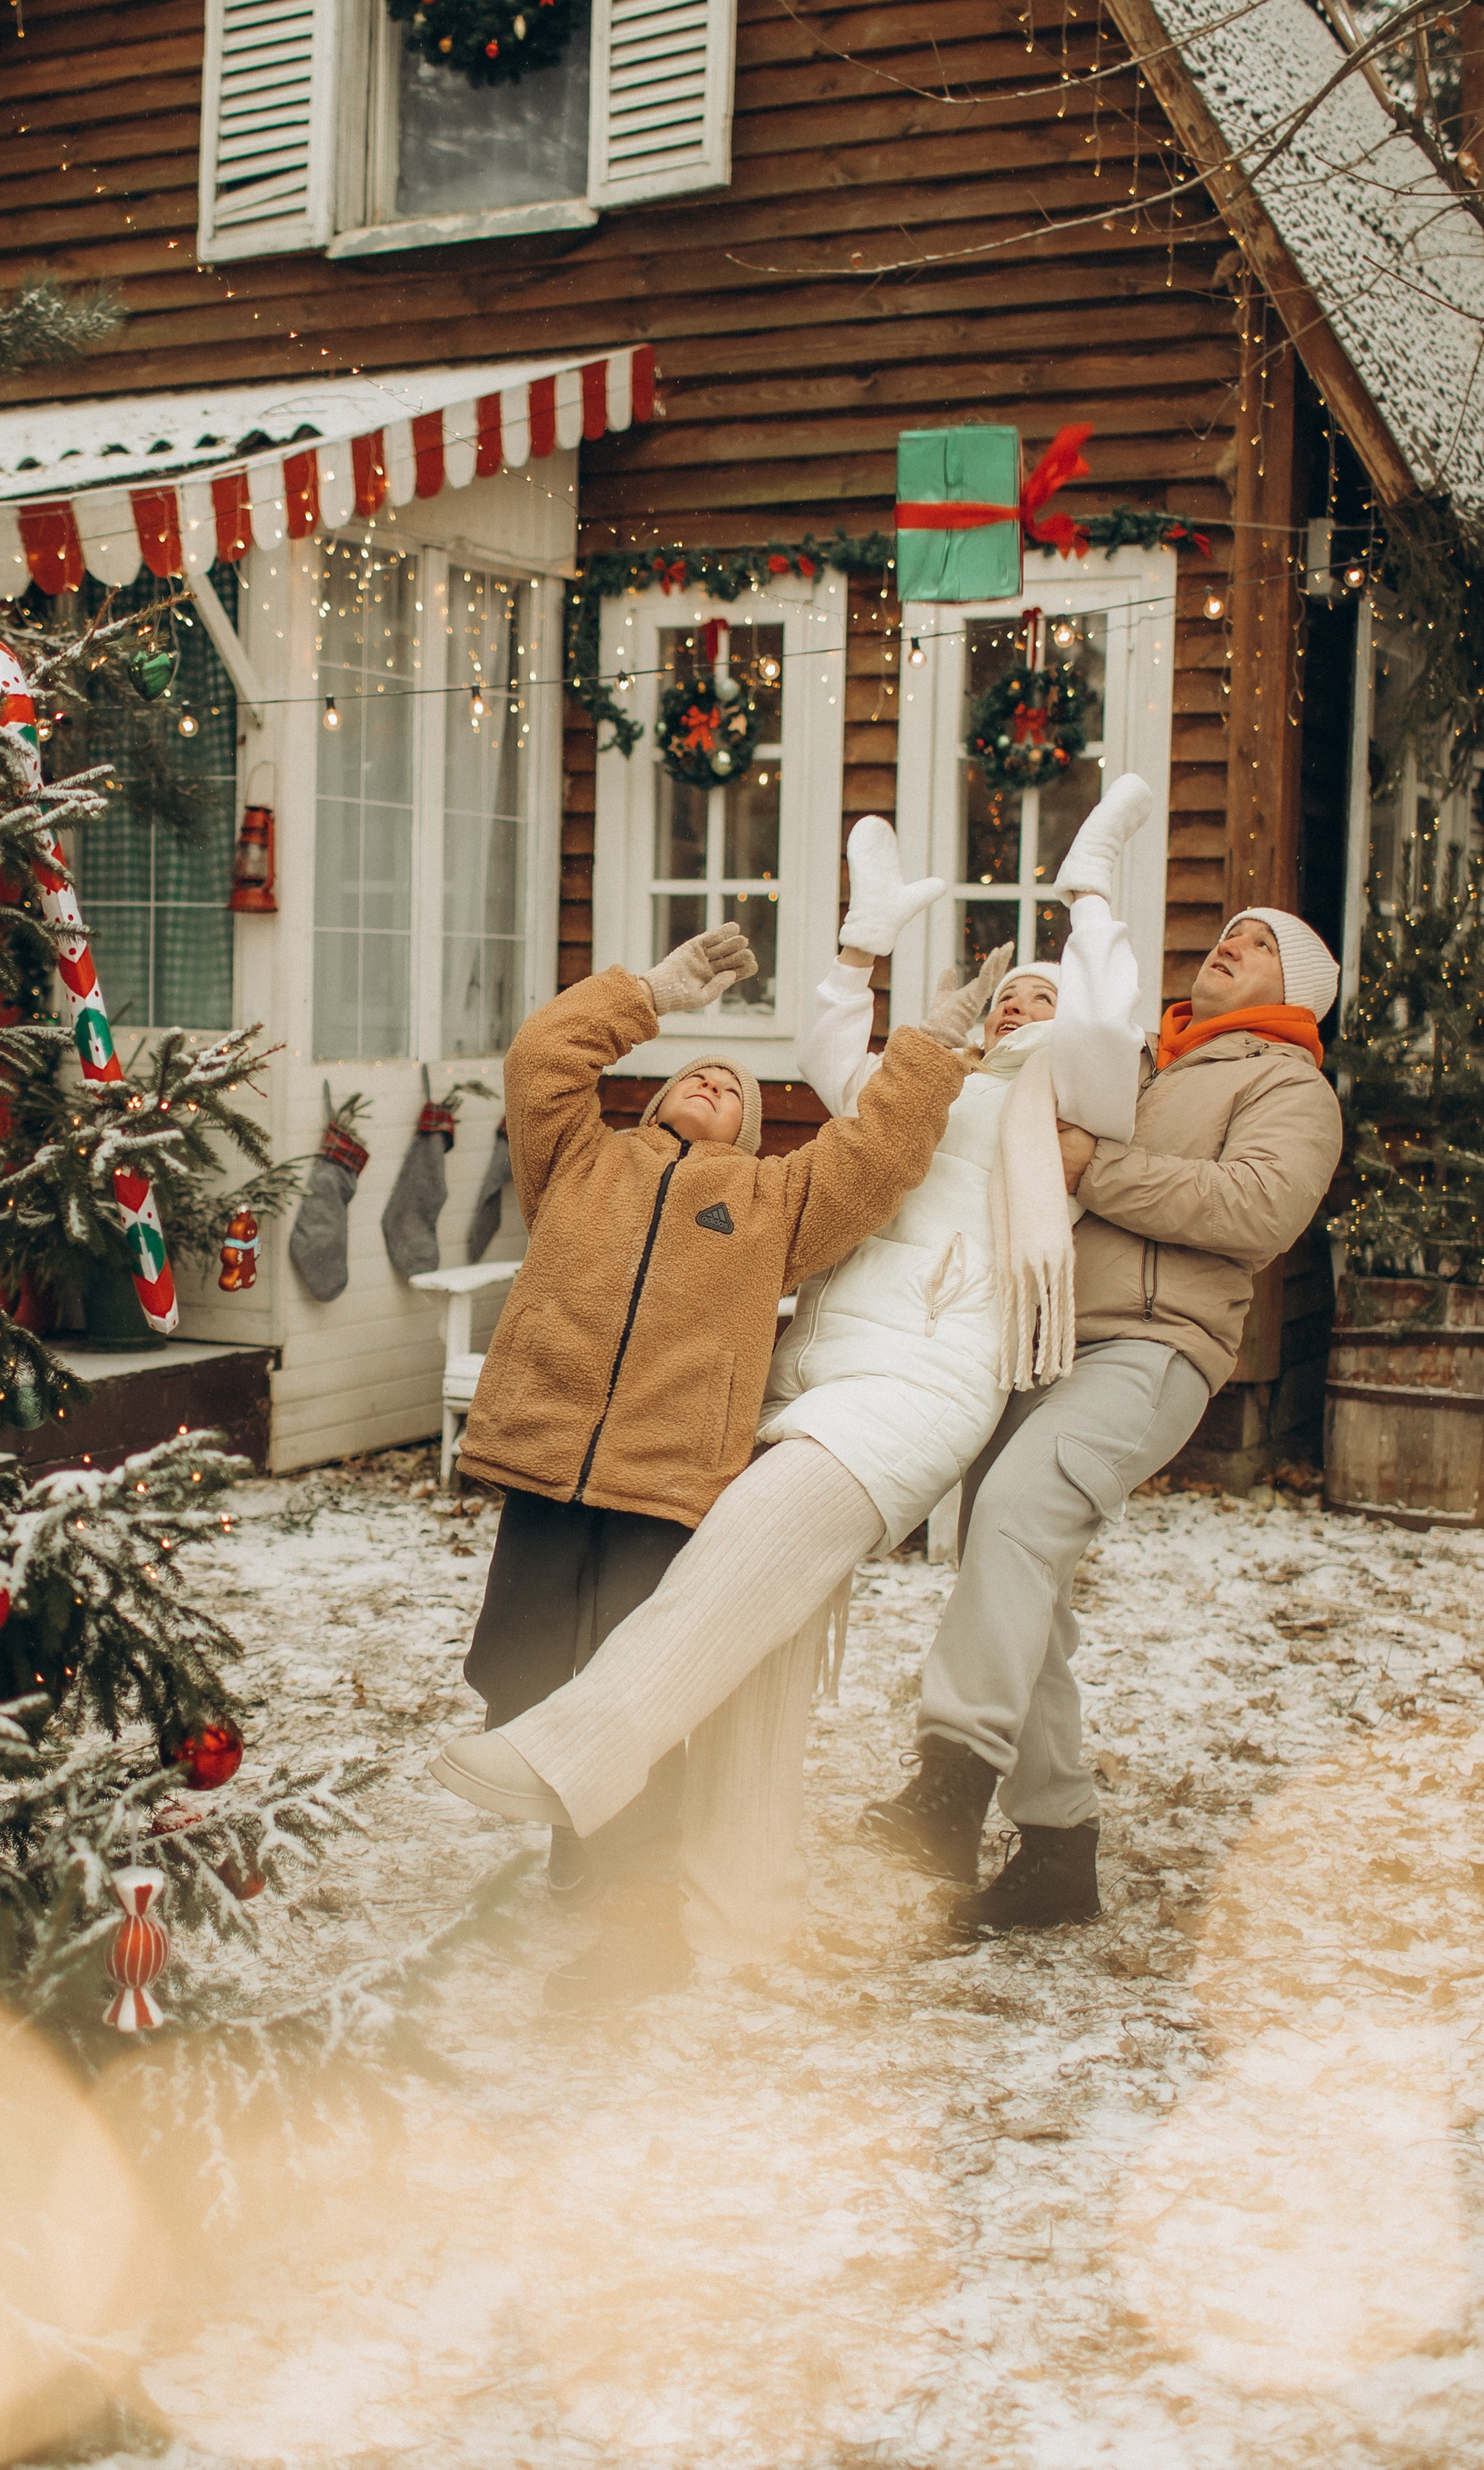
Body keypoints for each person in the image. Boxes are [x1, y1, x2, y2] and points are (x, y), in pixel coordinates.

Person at [432, 776, 1154, 1969]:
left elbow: (1053, 1048)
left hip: (919, 1375)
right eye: (1007, 995)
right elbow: (829, 1060)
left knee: (742, 1552)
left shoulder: (1072, 1096)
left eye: (1043, 995)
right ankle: (738, 1909)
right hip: (781, 1383)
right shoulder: (626, 1156)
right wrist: (856, 957)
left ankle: (587, 1750)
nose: (1022, 1006)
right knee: (756, 1648)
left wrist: (1086, 900)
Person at [439, 917, 971, 2011]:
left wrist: (932, 1048)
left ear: (752, 1131)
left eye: (737, 1086)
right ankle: (580, 1859)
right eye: (698, 1073)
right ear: (651, 1098)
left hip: (666, 1487)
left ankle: (641, 1925)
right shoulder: (578, 1162)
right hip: (546, 1465)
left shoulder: (776, 1203)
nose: (718, 1081)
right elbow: (546, 1056)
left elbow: (877, 1154)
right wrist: (657, 992)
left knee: (629, 1694)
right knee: (522, 1671)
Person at [860, 893, 1344, 1933]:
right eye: (1233, 932)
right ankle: (1055, 1851)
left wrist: (1102, 1166)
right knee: (1014, 1568)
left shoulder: (1288, 1086)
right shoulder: (1138, 1059)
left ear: (1296, 995)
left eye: (1262, 946)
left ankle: (951, 1785)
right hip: (1040, 1335)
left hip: (1155, 1342)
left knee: (1023, 1510)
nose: (1233, 945)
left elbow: (1256, 1212)